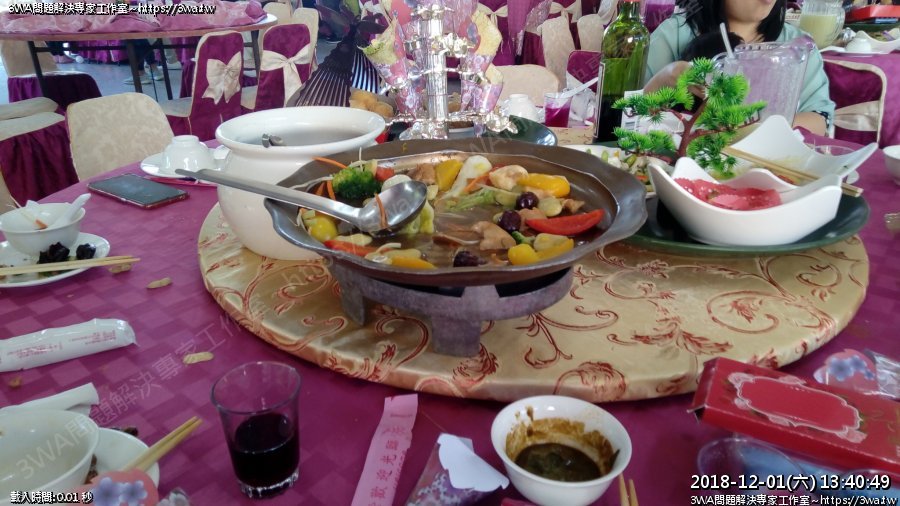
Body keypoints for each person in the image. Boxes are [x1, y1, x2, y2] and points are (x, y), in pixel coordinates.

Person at [643, 0, 835, 135]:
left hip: (769, 168)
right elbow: (631, 110)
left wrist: (753, 128)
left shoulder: (796, 46)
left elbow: (820, 119)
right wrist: (667, 77)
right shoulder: (674, 34)